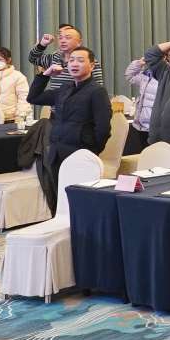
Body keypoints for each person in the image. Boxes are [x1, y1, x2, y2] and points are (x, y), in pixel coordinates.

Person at [27, 46, 111, 214]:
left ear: (92, 65)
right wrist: (45, 75)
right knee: (59, 200)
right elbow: (33, 97)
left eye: (80, 60)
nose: (74, 64)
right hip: (57, 150)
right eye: (71, 60)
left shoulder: (97, 91)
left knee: (79, 202)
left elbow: (103, 127)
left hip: (80, 151)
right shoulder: (65, 88)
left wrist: (92, 151)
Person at [29, 24, 107, 91]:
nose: (63, 41)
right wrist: (42, 45)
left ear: (79, 42)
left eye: (68, 37)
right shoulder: (54, 58)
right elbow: (33, 58)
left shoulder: (88, 60)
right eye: (60, 38)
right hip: (57, 102)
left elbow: (98, 87)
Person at [122, 55, 158, 155]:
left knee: (153, 155)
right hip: (141, 124)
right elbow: (129, 76)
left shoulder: (166, 77)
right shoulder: (146, 76)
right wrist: (139, 63)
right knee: (143, 154)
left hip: (154, 126)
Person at [0, 47, 32, 125]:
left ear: (8, 60)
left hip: (10, 119)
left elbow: (24, 97)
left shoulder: (17, 76)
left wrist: (20, 118)